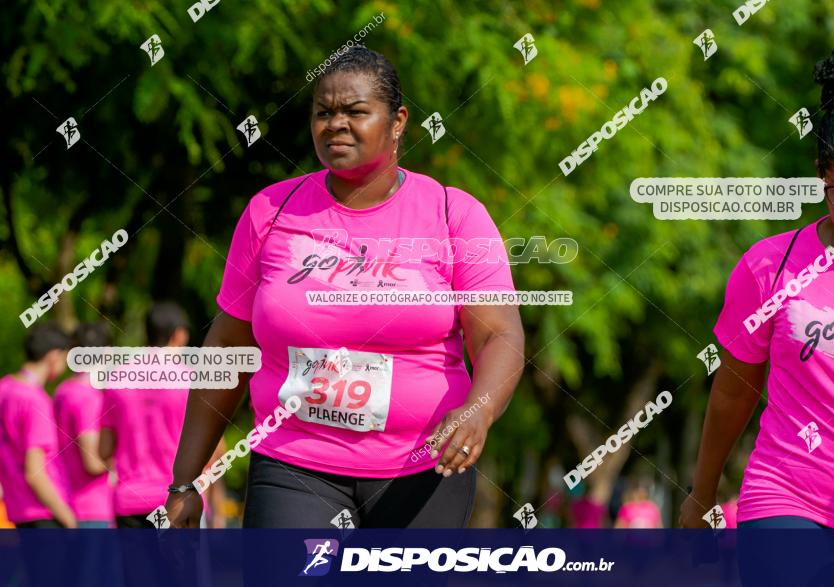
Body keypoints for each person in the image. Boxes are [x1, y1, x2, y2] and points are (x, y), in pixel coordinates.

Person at [166, 45, 524, 528]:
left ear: (398, 121)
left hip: (423, 467)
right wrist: (185, 481)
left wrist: (478, 412)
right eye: (323, 112)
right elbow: (228, 348)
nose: (335, 123)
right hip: (294, 463)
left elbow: (498, 335)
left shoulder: (452, 214)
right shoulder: (271, 213)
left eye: (355, 111)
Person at [681, 45, 834, 530]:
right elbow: (733, 392)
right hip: (787, 496)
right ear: (820, 175)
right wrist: (701, 493)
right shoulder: (771, 265)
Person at [100, 302, 191, 528]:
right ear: (178, 335)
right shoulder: (191, 380)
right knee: (176, 564)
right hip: (176, 500)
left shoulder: (116, 379)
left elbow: (103, 450)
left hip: (129, 501)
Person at [0, 323, 75, 528]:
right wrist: (68, 518)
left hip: (18, 509)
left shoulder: (4, 389)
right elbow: (35, 472)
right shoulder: (35, 400)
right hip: (43, 511)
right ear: (53, 357)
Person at [54, 322, 113, 528]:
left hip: (67, 501)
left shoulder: (62, 391)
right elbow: (93, 463)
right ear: (106, 353)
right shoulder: (88, 398)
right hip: (92, 509)